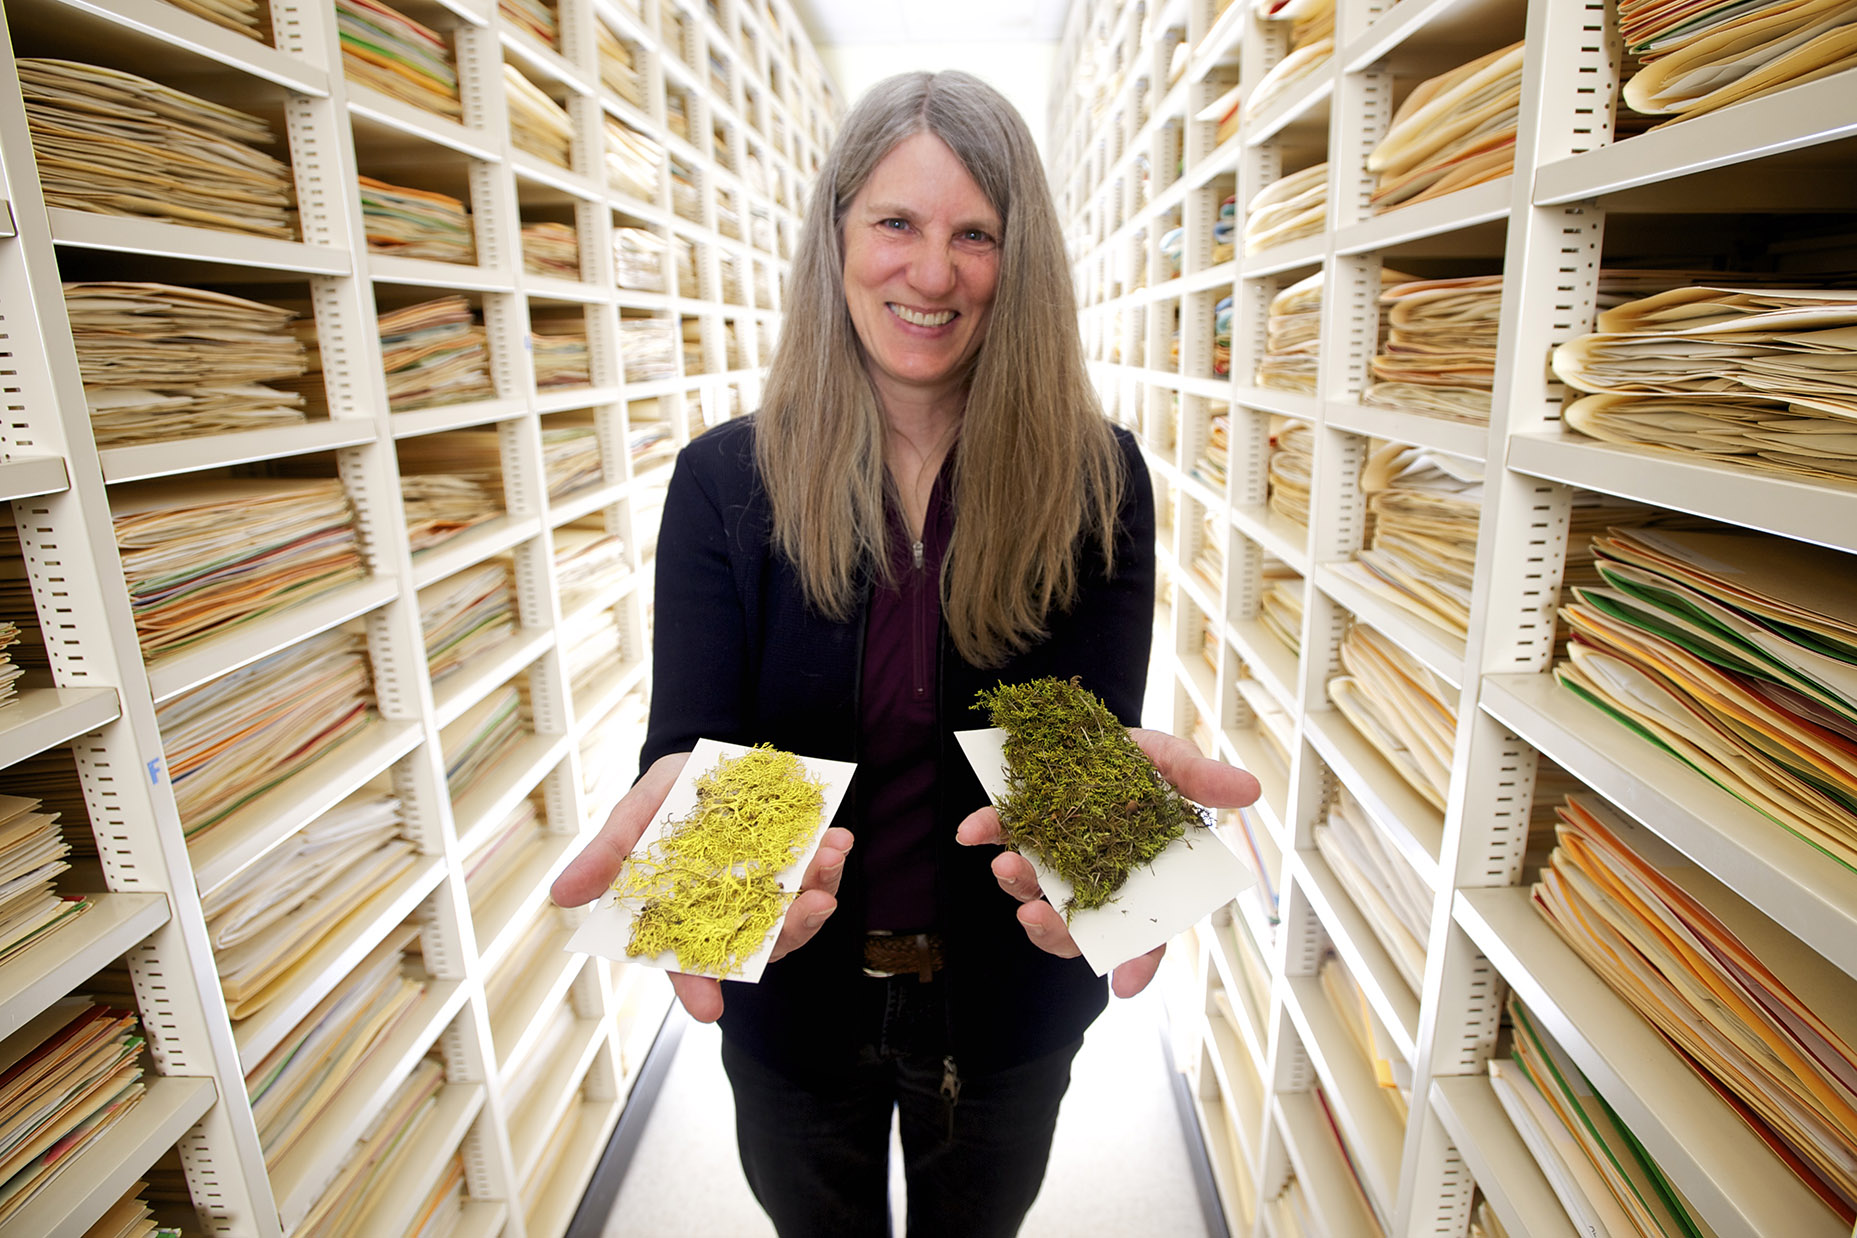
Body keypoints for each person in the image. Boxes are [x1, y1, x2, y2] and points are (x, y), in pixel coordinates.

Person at [552, 69, 1261, 1237]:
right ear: (837, 235)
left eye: (975, 234)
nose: (933, 273)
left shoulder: (1098, 477)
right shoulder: (726, 479)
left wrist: (1120, 853)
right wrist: (693, 852)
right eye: (896, 222)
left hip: (1005, 1011)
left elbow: (1068, 744)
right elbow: (698, 745)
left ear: (1020, 262)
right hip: (791, 1000)